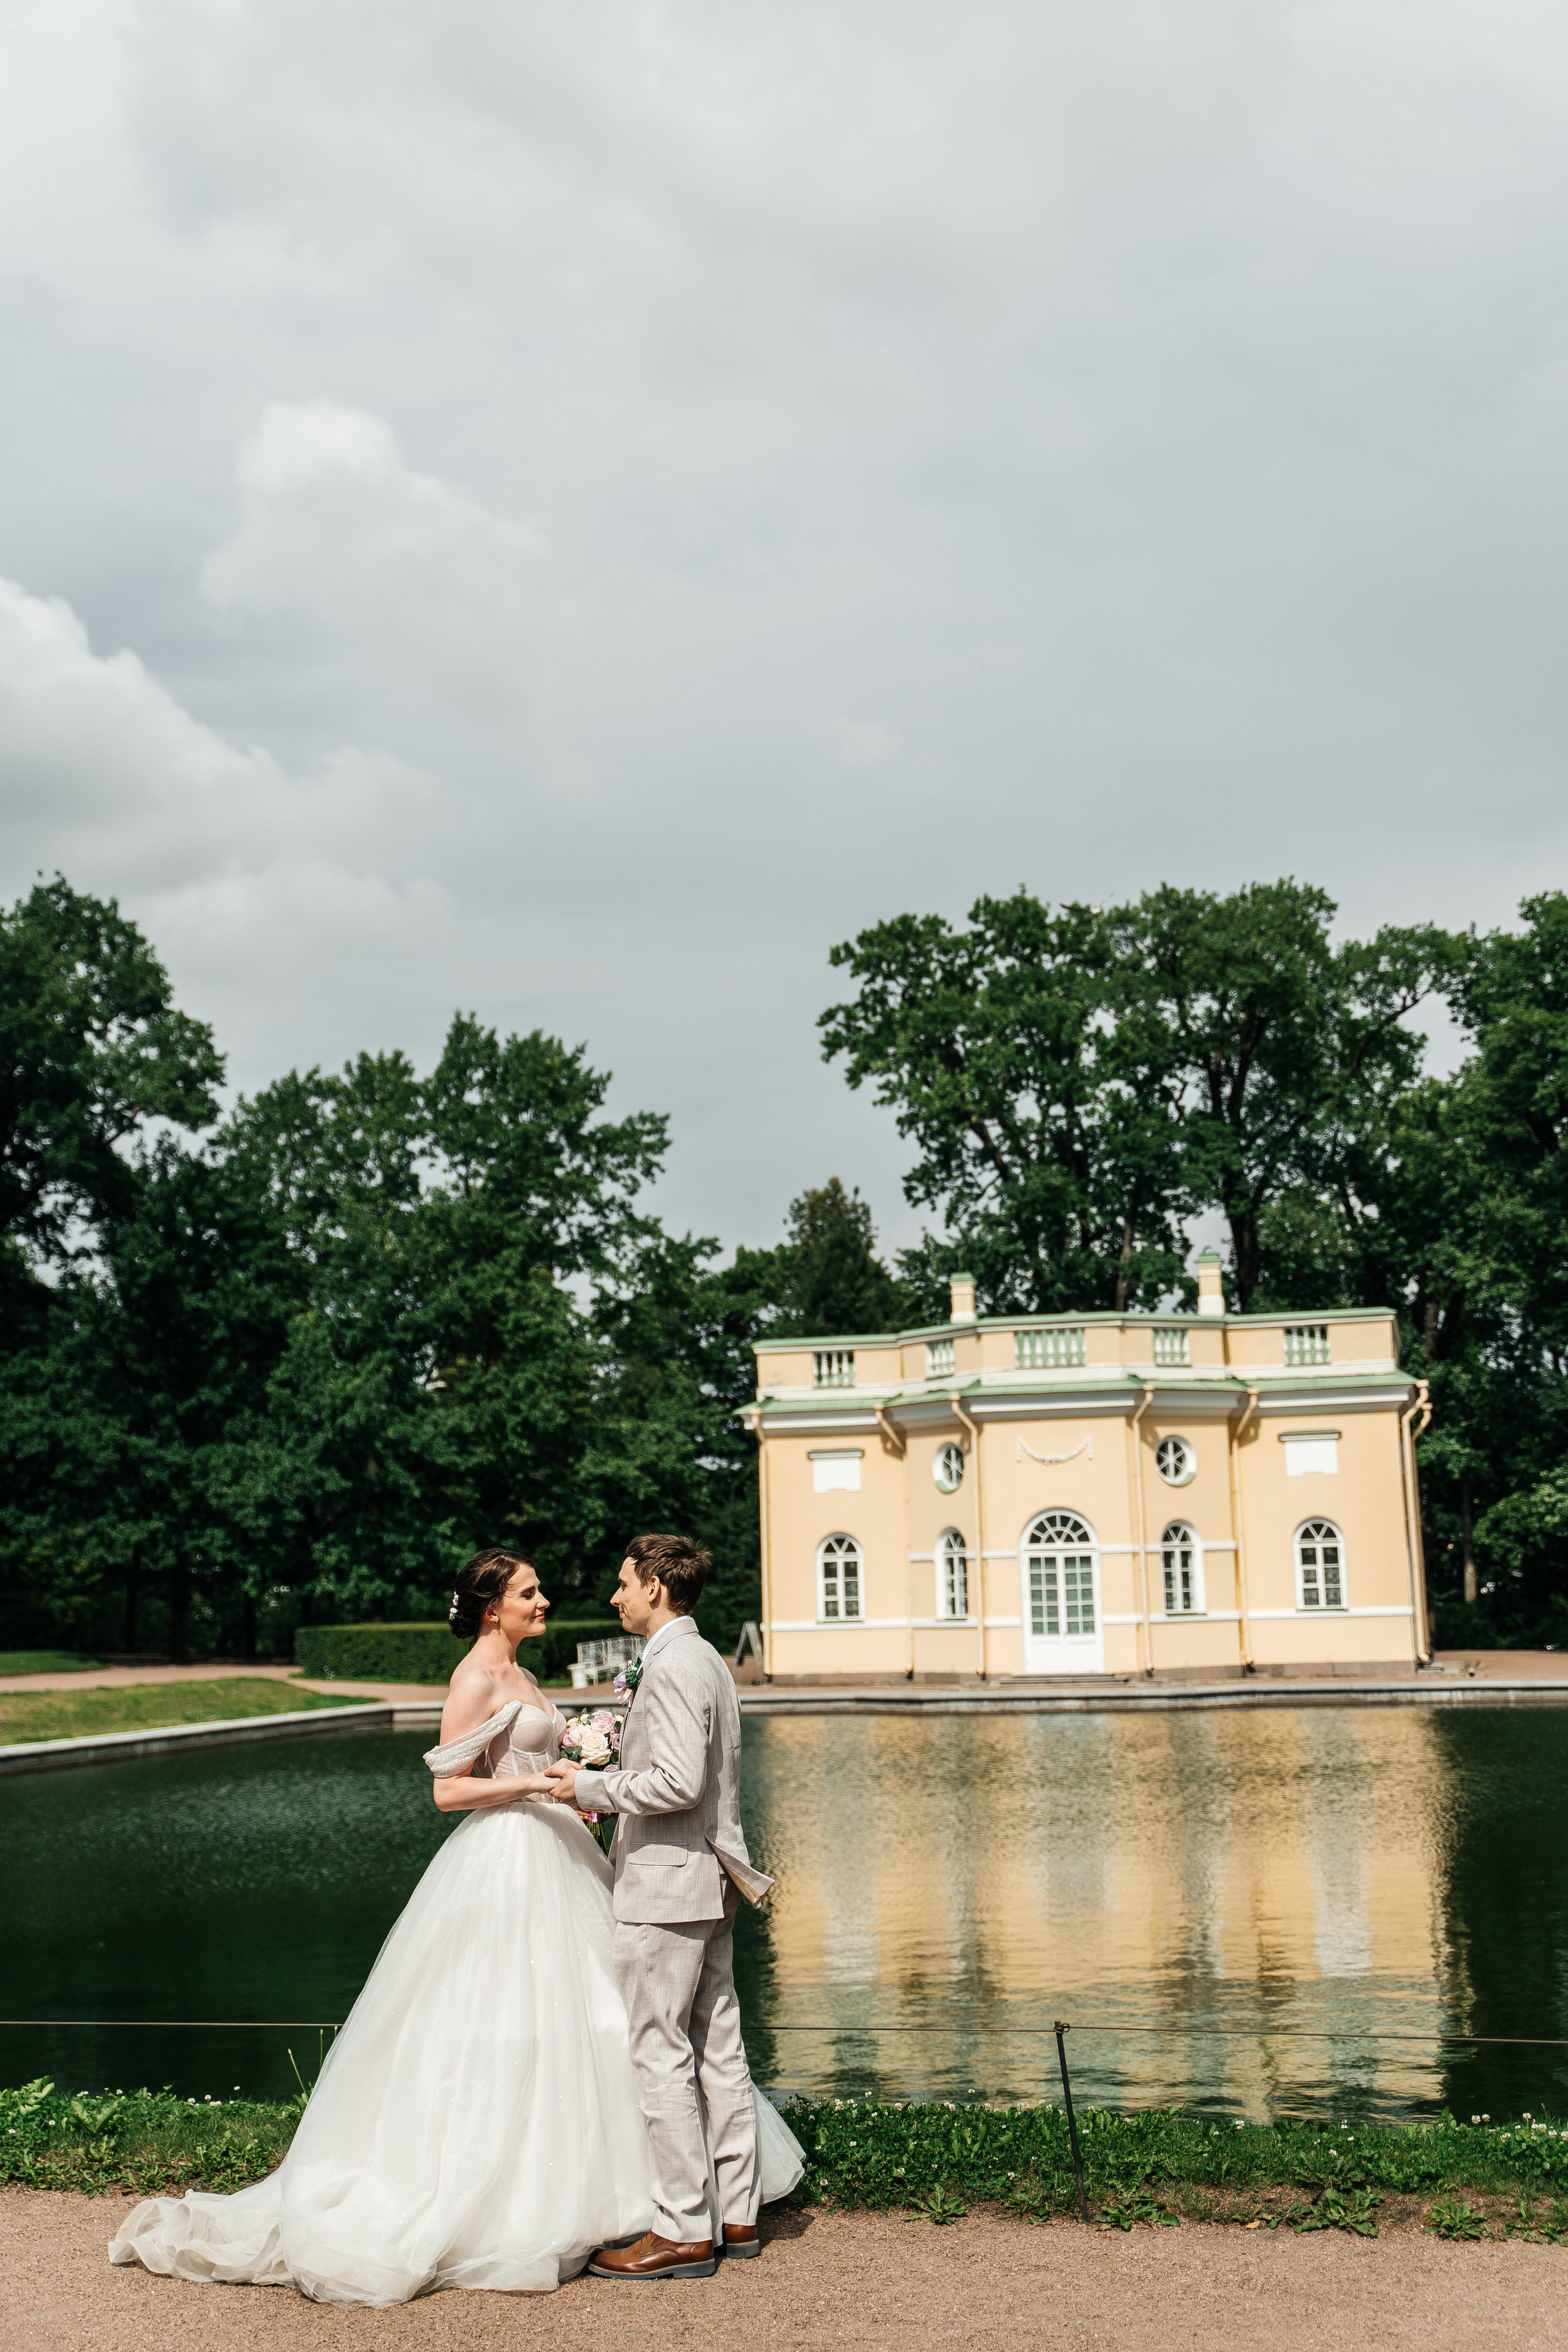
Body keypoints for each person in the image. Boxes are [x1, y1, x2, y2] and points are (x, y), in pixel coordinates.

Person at [108, 1545, 801, 2304]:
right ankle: (684, 2210)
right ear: (490, 1606)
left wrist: (580, 1775)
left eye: (544, 1590)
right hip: (510, 1857)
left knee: (626, 2027)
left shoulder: (538, 1675)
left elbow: (647, 1773)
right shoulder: (475, 1676)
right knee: (555, 2023)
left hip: (573, 1851)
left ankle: (683, 2216)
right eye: (529, 1594)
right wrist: (544, 1780)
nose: (549, 1602)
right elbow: (445, 1790)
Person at [543, 1531, 775, 2282]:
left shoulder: (672, 1666)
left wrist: (587, 1788)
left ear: (654, 1586)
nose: (614, 1596)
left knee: (660, 2049)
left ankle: (681, 2228)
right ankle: (735, 2211)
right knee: (719, 2048)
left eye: (622, 1583)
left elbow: (674, 1784)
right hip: (706, 1877)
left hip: (667, 1883)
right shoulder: (705, 1656)